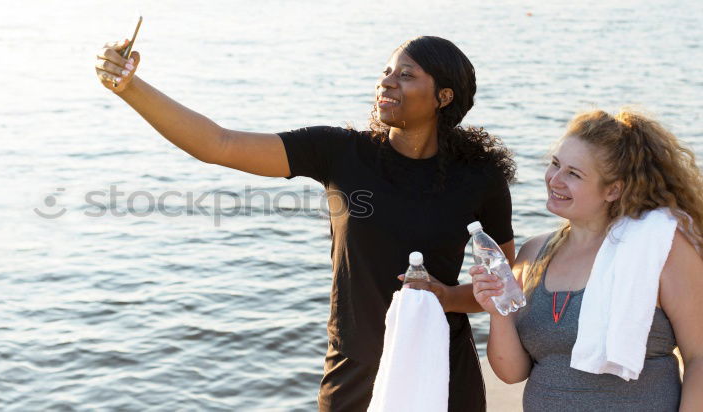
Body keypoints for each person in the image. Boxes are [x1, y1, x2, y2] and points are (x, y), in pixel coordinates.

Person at [95, 35, 517, 411]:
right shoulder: (339, 152)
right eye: (386, 72)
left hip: (441, 366)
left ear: (443, 97)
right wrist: (130, 87)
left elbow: (507, 282)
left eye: (406, 75)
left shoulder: (478, 175)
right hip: (356, 371)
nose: (387, 82)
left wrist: (444, 297)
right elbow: (217, 144)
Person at [472, 109, 703, 410]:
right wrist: (497, 311)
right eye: (555, 164)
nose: (555, 179)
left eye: (574, 173)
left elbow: (699, 356)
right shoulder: (533, 254)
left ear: (613, 189)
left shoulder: (659, 249)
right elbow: (512, 372)